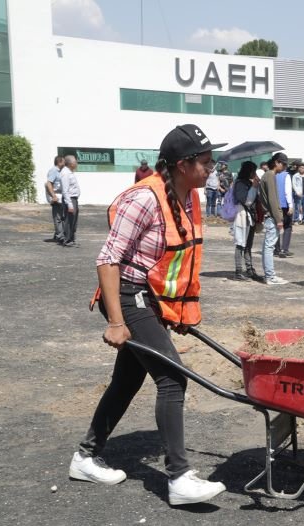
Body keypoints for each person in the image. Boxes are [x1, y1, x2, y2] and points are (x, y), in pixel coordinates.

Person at [71, 123, 227, 506]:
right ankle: (179, 478)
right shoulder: (143, 199)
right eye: (206, 162)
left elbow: (173, 261)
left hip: (151, 299)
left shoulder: (188, 196)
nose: (212, 169)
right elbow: (108, 260)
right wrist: (115, 321)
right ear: (182, 164)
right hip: (127, 296)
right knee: (173, 377)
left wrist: (175, 311)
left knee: (127, 380)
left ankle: (85, 457)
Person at [258, 152, 292, 285]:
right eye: (283, 164)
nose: (284, 167)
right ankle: (270, 276)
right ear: (277, 162)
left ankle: (269, 275)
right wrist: (279, 219)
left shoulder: (268, 175)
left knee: (268, 246)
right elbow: (273, 200)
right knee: (269, 247)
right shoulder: (270, 176)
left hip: (269, 216)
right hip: (272, 217)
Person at [229, 161, 261, 282]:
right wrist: (253, 187)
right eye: (253, 171)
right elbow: (246, 201)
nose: (255, 173)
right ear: (248, 171)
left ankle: (249, 269)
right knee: (241, 244)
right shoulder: (240, 183)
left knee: (248, 245)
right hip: (242, 217)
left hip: (250, 217)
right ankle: (238, 271)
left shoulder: (248, 182)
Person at [60, 155, 81, 247]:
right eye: (75, 162)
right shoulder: (65, 173)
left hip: (74, 199)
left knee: (73, 220)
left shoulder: (70, 172)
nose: (76, 163)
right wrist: (70, 204)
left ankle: (71, 239)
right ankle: (67, 240)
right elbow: (65, 190)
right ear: (71, 163)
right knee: (69, 220)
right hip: (70, 199)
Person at [45, 155, 65, 244]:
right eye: (64, 161)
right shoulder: (54, 171)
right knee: (58, 218)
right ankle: (60, 237)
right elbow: (49, 183)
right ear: (59, 162)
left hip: (59, 196)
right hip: (56, 197)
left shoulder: (59, 171)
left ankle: (58, 235)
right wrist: (53, 196)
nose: (65, 163)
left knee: (61, 216)